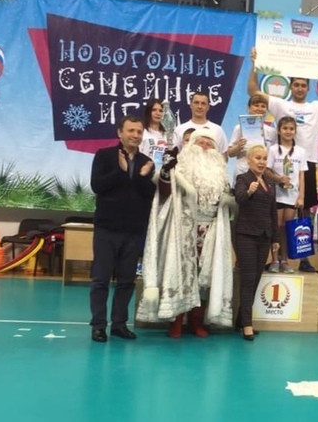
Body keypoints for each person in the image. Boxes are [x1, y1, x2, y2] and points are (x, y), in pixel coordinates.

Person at [247, 48, 318, 272]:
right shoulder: (280, 104)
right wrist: (254, 64)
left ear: (308, 88)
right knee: (275, 215)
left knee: (304, 212)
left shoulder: (317, 107)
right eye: (296, 85)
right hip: (279, 165)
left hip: (307, 164)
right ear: (291, 86)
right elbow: (253, 90)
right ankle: (275, 258)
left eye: (304, 85)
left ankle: (303, 258)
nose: (300, 88)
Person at [136, 128, 235, 338]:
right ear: (191, 145)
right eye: (201, 143)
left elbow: (227, 198)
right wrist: (166, 170)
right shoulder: (179, 167)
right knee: (180, 274)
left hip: (211, 231)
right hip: (182, 230)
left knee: (203, 279)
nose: (205, 147)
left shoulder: (220, 172)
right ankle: (176, 322)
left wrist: (228, 200)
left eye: (210, 144)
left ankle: (197, 322)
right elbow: (164, 191)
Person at [89, 115, 156, 343]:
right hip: (107, 228)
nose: (135, 135)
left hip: (133, 230)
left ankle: (119, 324)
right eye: (131, 131)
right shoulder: (104, 155)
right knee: (100, 279)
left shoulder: (147, 162)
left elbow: (149, 194)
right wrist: (120, 171)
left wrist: (141, 177)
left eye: (139, 131)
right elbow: (97, 186)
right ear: (120, 133)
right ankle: (98, 326)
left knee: (127, 281)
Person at [235, 145, 280, 341]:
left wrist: (275, 239)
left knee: (255, 280)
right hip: (246, 236)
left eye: (264, 158)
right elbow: (239, 199)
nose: (261, 162)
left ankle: (240, 319)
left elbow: (272, 213)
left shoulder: (270, 183)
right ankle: (247, 324)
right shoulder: (243, 179)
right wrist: (249, 192)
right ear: (249, 160)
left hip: (264, 237)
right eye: (257, 158)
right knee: (247, 279)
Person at [265, 116, 307, 273]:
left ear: (295, 131)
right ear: (279, 130)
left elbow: (301, 176)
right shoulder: (273, 150)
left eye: (291, 129)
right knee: (276, 226)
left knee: (287, 228)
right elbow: (267, 171)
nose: (288, 131)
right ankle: (274, 260)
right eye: (285, 128)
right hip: (276, 195)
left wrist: (301, 196)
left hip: (292, 195)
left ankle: (285, 260)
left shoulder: (301, 152)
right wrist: (279, 179)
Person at [228, 94, 277, 185]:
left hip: (263, 177)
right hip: (242, 172)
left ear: (267, 109)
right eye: (256, 105)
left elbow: (274, 155)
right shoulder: (239, 128)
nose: (259, 108)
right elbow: (230, 153)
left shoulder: (271, 131)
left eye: (263, 106)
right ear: (249, 107)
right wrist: (239, 147)